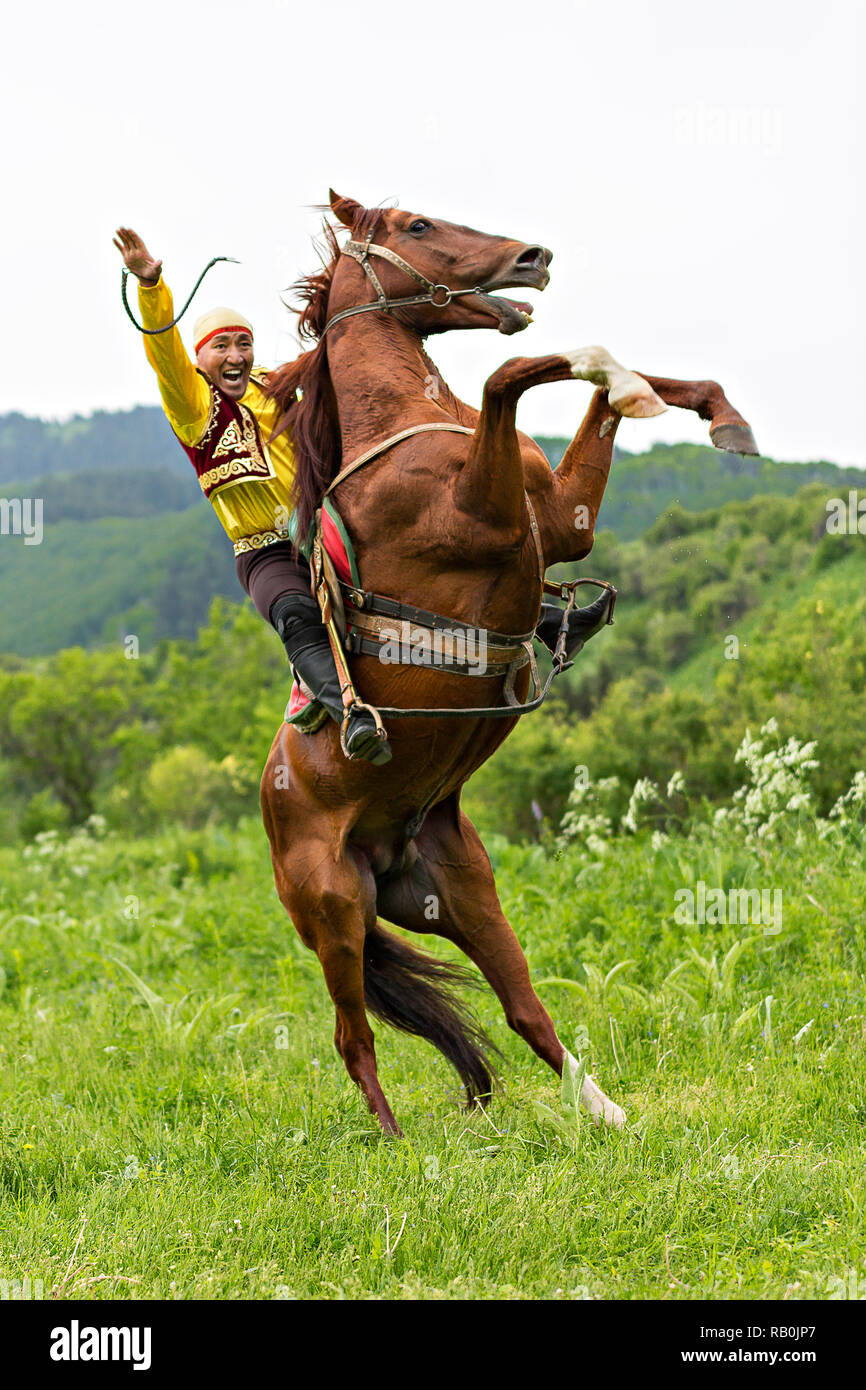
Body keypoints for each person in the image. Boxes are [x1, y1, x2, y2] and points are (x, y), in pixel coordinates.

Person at [112, 226, 391, 764]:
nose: (236, 354)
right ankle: (353, 716)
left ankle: (542, 614)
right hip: (265, 551)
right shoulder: (193, 407)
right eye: (222, 346)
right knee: (292, 612)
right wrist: (151, 287)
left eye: (244, 342)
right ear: (199, 359)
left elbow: (338, 355)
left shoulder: (278, 384)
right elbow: (165, 356)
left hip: (330, 522)